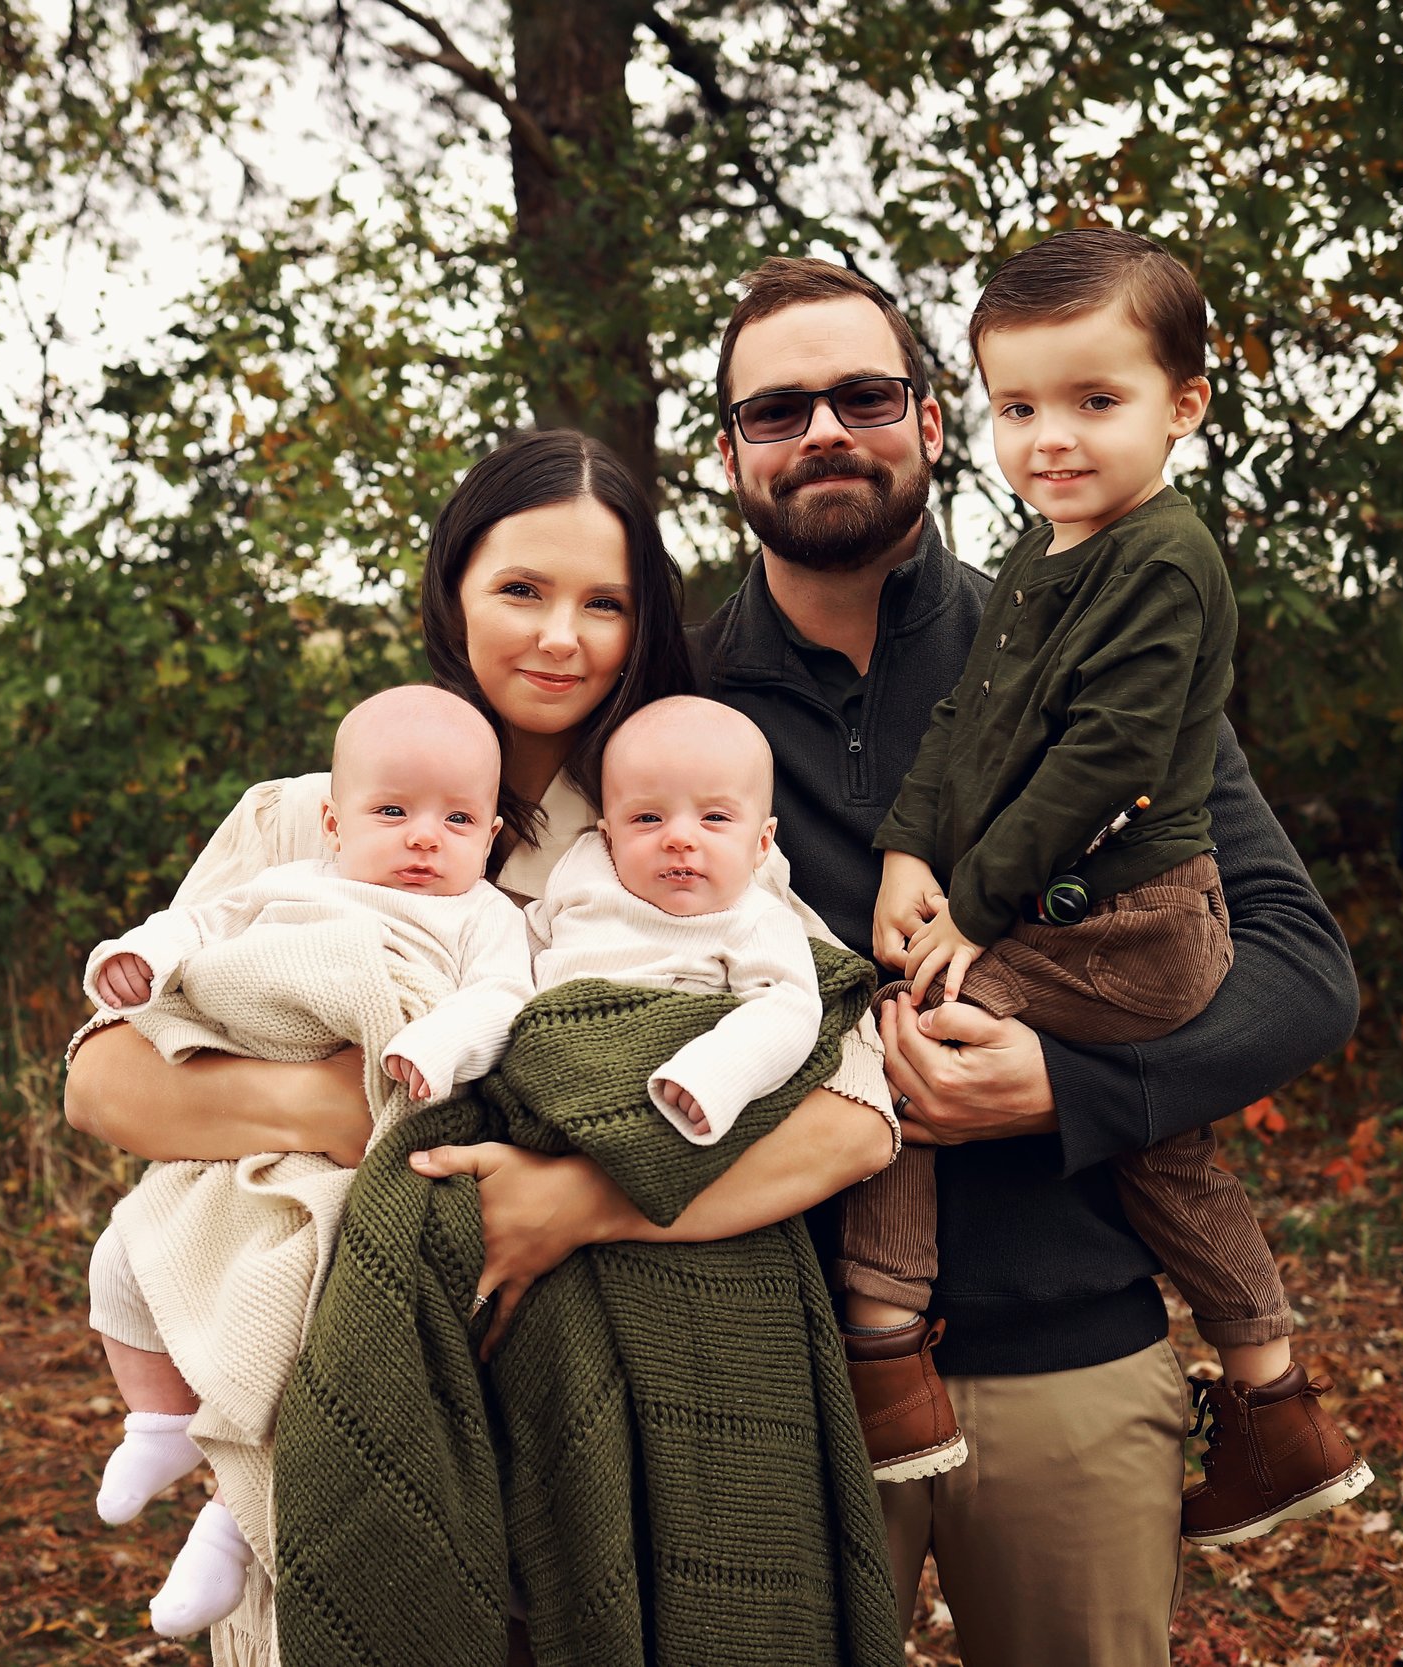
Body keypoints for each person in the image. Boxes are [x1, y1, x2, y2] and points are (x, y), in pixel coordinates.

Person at [62, 428, 900, 1667]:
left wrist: (580, 1200)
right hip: (348, 1394)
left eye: (603, 603)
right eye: (520, 589)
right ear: (454, 591)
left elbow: (855, 1107)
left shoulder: (672, 825)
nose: (560, 636)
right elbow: (105, 1076)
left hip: (614, 1426)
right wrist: (357, 1113)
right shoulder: (310, 813)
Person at [692, 254, 1359, 1665]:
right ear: (729, 450)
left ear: (932, 423)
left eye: (864, 394)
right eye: (777, 408)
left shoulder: (1089, 634)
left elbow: (1303, 964)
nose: (824, 430)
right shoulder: (671, 711)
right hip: (779, 1374)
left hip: (1076, 1348)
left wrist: (1072, 1085)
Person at [843, 228, 1373, 1546]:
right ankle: (1276, 1398)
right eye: (1018, 407)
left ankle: (884, 1346)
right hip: (1091, 922)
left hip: (1135, 923)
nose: (1051, 440)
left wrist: (966, 911)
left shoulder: (1164, 559)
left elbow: (1105, 762)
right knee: (1167, 1147)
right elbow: (970, 720)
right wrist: (912, 846)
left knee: (903, 1033)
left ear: (1184, 403)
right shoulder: (1051, 548)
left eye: (1096, 400)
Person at [79, 685, 533, 1638]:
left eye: (456, 820)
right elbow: (197, 932)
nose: (424, 839)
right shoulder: (295, 886)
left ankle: (233, 1518)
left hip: (356, 1165)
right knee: (125, 1252)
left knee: (294, 1319)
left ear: (491, 835)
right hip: (242, 1135)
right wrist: (139, 959)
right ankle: (156, 1419)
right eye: (393, 812)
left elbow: (501, 1003)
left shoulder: (480, 916)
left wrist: (437, 1042)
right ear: (333, 822)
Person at [527, 696, 822, 1147]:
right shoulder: (584, 873)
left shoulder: (756, 916)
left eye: (714, 818)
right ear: (608, 838)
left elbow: (790, 1009)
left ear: (762, 843)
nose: (680, 838)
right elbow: (525, 943)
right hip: (545, 1065)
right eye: (648, 818)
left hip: (667, 1089)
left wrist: (715, 1073)